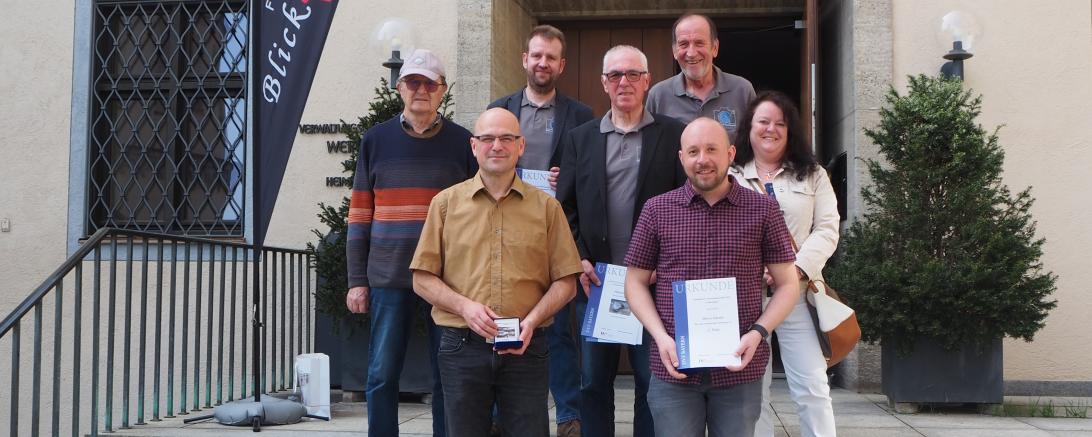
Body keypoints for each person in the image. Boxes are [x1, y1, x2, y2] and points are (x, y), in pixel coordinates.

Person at [409, 108, 584, 437]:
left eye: (506, 138)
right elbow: (422, 279)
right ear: (474, 146)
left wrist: (531, 321)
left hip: (527, 347)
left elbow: (567, 282)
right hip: (462, 345)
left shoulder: (547, 209)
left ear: (521, 146)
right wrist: (465, 307)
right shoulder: (445, 205)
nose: (497, 146)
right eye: (487, 138)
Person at [623, 117, 801, 437]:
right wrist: (661, 337)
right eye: (693, 151)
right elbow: (634, 282)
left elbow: (788, 284)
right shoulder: (657, 210)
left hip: (738, 369)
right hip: (673, 369)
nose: (702, 159)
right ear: (682, 158)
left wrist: (759, 332)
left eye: (711, 149)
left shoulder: (763, 210)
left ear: (730, 154)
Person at [556, 44, 687, 437]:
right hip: (596, 283)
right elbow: (565, 208)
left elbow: (685, 209)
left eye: (633, 74)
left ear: (647, 81)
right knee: (593, 381)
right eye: (615, 75)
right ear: (603, 83)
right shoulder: (582, 138)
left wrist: (665, 265)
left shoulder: (673, 135)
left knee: (652, 383)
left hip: (652, 285)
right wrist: (577, 258)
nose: (624, 82)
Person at [345, 48, 476, 437]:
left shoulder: (463, 143)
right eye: (413, 82)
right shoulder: (375, 140)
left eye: (429, 83)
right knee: (382, 374)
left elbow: (474, 214)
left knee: (447, 374)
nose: (421, 90)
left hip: (445, 278)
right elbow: (359, 214)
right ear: (400, 88)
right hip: (388, 275)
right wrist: (356, 280)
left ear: (443, 90)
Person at [487, 25, 593, 437]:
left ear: (561, 64)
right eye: (536, 55)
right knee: (505, 320)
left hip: (557, 232)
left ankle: (569, 414)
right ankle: (498, 417)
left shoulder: (582, 116)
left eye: (550, 57)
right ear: (524, 59)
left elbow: (587, 180)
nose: (542, 63)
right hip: (505, 232)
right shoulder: (502, 108)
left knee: (560, 330)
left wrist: (564, 177)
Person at [730, 91, 840, 437]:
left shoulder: (813, 174)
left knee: (812, 388)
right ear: (749, 127)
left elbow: (827, 229)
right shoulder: (729, 175)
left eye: (780, 123)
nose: (771, 129)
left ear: (790, 130)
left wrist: (792, 270)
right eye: (763, 121)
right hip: (747, 298)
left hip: (797, 295)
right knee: (753, 395)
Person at [646, 13, 755, 139]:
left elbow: (755, 146)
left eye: (699, 43)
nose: (691, 53)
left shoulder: (742, 90)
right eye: (683, 44)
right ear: (674, 51)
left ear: (715, 48)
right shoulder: (659, 96)